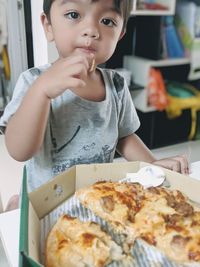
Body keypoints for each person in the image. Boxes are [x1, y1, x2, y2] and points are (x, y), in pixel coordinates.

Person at [0, 0, 189, 209]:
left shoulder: (115, 85)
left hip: (95, 198)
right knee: (16, 224)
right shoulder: (33, 81)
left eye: (107, 21)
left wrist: (151, 166)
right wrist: (41, 92)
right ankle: (17, 202)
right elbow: (19, 151)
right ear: (48, 26)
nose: (91, 31)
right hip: (45, 205)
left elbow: (124, 136)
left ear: (120, 34)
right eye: (73, 15)